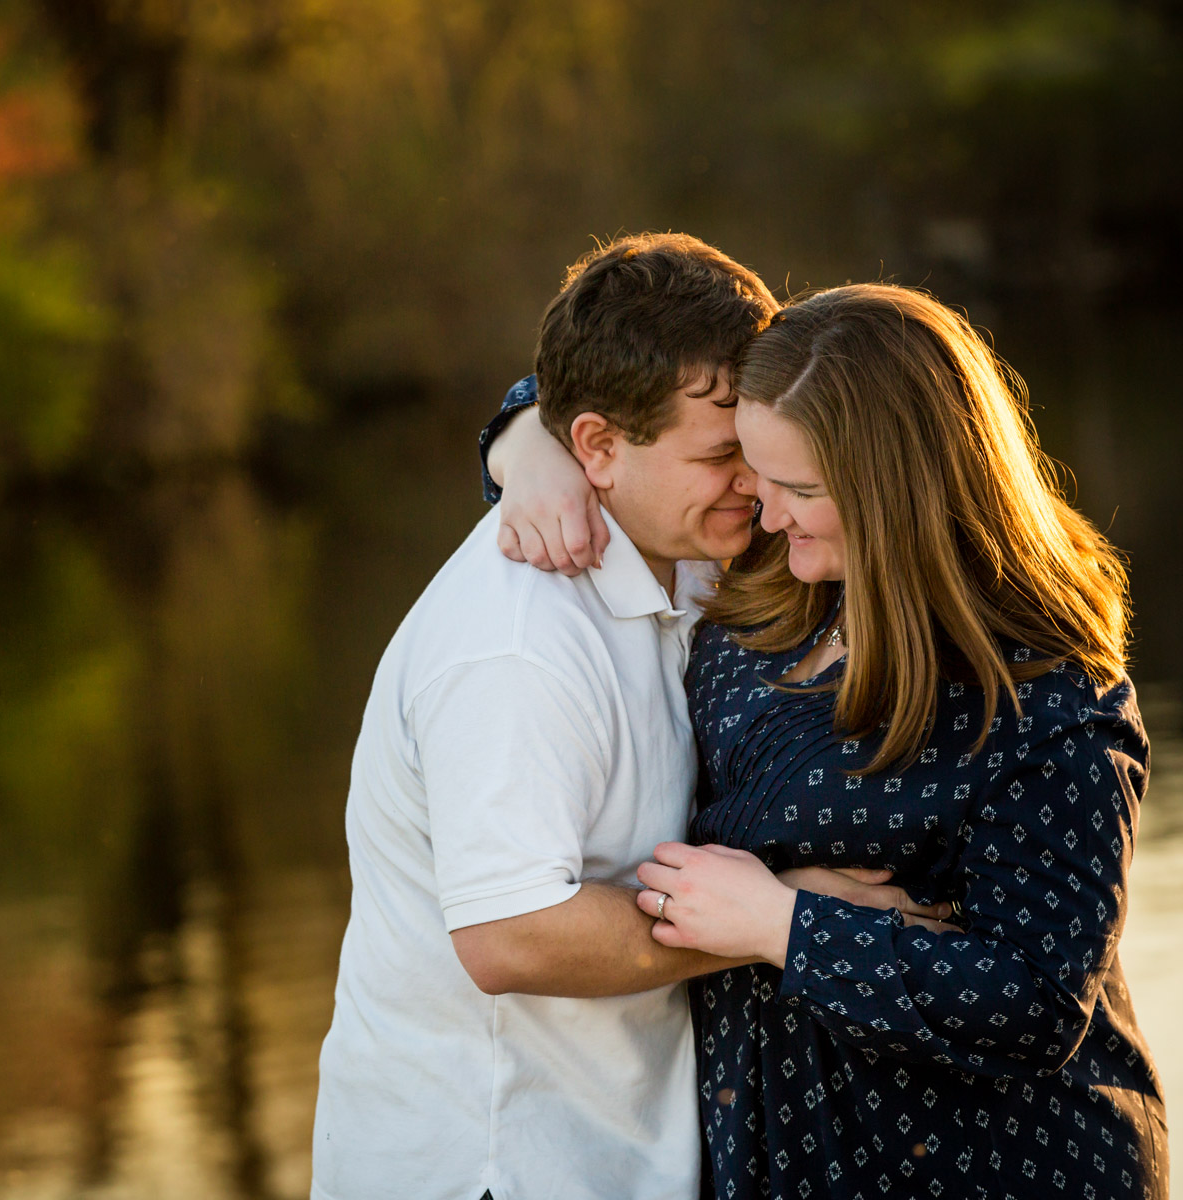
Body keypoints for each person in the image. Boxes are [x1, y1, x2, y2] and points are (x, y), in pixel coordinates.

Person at [482, 282, 1169, 1199]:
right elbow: (616, 401)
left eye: (798, 488)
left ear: (901, 486)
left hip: (988, 1166)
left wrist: (782, 925)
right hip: (786, 1148)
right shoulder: (785, 565)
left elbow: (1038, 1003)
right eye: (752, 471)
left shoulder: (1048, 697)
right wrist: (529, 449)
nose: (759, 512)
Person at [313, 233, 945, 1200]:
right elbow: (508, 934)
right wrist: (774, 920)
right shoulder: (516, 646)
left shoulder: (686, 548)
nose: (758, 482)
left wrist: (519, 432)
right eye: (724, 455)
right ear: (600, 448)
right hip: (497, 1166)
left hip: (615, 1150)